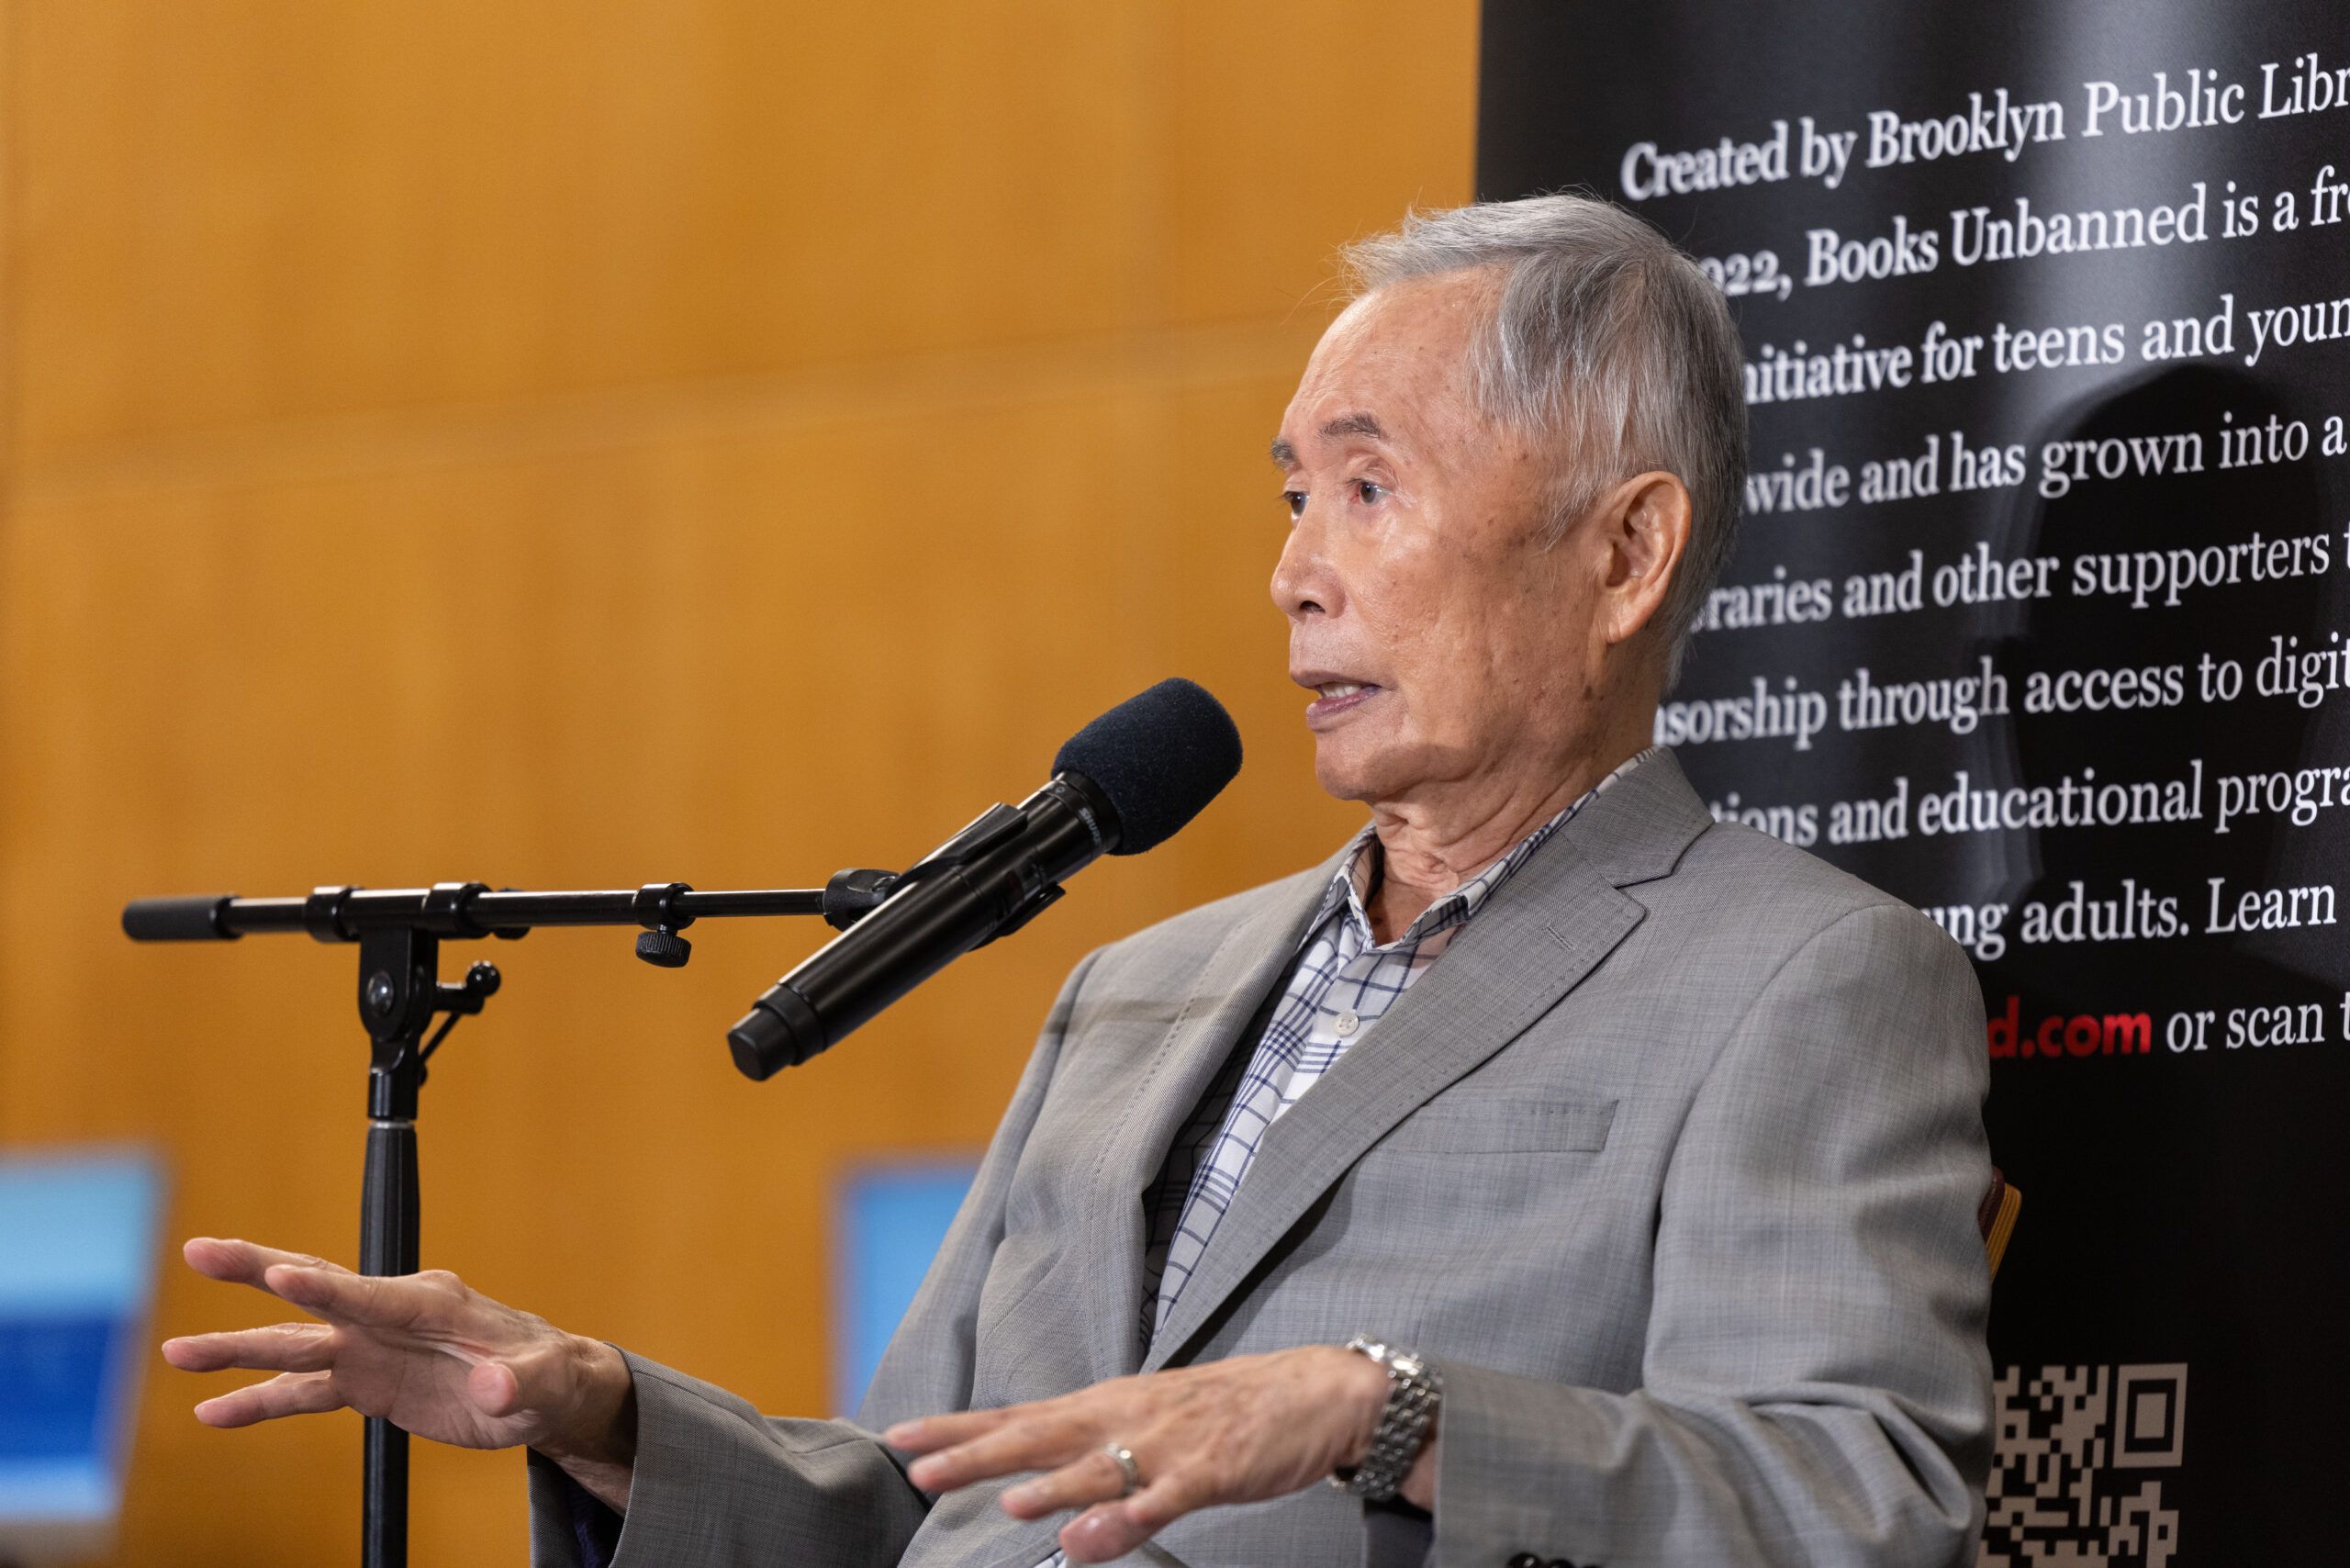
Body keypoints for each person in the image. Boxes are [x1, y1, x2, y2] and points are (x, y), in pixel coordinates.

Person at [163, 194, 1995, 1567]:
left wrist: (1383, 1410)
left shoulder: (1803, 979)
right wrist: (603, 1411)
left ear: (1624, 549)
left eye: (1367, 490)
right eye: (1289, 494)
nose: (1291, 568)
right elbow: (910, 1491)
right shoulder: (1141, 983)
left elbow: (1857, 1497)